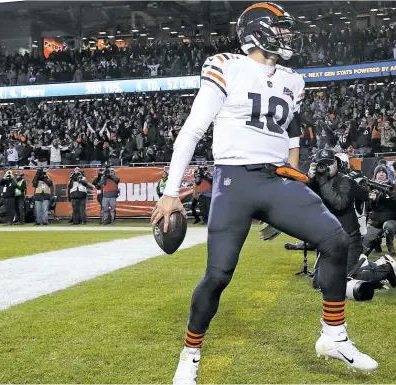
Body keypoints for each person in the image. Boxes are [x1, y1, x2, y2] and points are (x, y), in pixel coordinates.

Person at [151, 3, 377, 383]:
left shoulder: (292, 79)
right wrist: (171, 191)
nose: (288, 35)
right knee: (218, 275)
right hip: (234, 182)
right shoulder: (226, 66)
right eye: (281, 28)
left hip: (275, 181)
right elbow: (192, 131)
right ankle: (189, 356)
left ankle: (333, 336)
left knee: (336, 241)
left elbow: (288, 128)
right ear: (259, 32)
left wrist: (291, 164)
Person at [307, 149, 367, 285]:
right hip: (327, 238)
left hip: (348, 238)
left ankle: (382, 267)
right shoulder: (316, 181)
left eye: (329, 163)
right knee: (318, 283)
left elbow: (339, 204)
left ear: (336, 164)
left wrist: (322, 181)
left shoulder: (346, 181)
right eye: (322, 164)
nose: (326, 167)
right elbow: (301, 198)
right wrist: (309, 178)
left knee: (346, 280)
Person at [361, 167, 396, 255]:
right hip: (375, 222)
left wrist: (388, 191)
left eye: (383, 172)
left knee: (388, 227)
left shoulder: (393, 187)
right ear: (375, 175)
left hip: (391, 220)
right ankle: (376, 243)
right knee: (364, 243)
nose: (381, 174)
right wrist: (370, 200)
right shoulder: (370, 187)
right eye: (379, 172)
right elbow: (366, 208)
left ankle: (390, 245)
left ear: (386, 175)